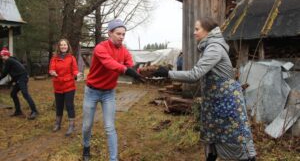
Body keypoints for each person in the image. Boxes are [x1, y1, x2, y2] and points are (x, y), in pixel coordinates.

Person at [152, 17, 256, 161]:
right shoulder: (209, 46)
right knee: (213, 140)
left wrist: (168, 73)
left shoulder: (214, 48)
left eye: (197, 29)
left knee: (234, 140)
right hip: (216, 102)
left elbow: (195, 74)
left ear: (209, 31)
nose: (194, 33)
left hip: (227, 103)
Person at [82, 19, 144, 161]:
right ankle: (86, 146)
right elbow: (109, 63)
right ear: (110, 33)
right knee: (87, 125)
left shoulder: (124, 51)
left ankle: (113, 159)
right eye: (118, 34)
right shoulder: (100, 48)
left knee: (110, 127)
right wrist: (126, 70)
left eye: (123, 34)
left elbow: (131, 65)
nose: (121, 37)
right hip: (92, 91)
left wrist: (143, 71)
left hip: (109, 93)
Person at [49, 39, 80, 136]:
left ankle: (71, 125)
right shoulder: (54, 58)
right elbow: (51, 69)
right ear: (59, 47)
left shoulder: (71, 58)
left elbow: (75, 70)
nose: (63, 46)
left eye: (65, 45)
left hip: (69, 85)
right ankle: (58, 124)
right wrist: (52, 72)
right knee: (59, 105)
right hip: (58, 85)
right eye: (61, 45)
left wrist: (78, 74)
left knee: (69, 105)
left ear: (68, 46)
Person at [0, 47, 38, 120]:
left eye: (3, 56)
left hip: (22, 77)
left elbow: (5, 73)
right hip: (20, 78)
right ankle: (18, 111)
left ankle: (34, 111)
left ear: (7, 55)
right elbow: (13, 73)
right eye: (1, 56)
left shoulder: (9, 60)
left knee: (25, 94)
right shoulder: (11, 60)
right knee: (13, 94)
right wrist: (10, 82)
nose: (2, 57)